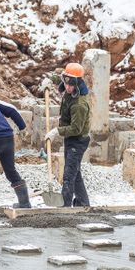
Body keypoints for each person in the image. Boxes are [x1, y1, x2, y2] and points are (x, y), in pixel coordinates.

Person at [44, 62, 91, 207]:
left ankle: (65, 207)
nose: (67, 87)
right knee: (75, 174)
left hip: (78, 140)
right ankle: (83, 203)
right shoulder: (68, 85)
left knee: (69, 175)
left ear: (78, 84)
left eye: (71, 85)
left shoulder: (79, 104)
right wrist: (49, 80)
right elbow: (60, 80)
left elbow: (76, 129)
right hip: (70, 139)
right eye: (66, 83)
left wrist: (57, 131)